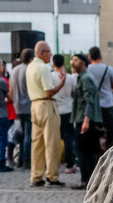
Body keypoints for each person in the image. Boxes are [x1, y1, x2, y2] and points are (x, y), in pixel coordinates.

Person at [26, 41, 66, 186]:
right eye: (48, 52)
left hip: (34, 105)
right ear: (42, 52)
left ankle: (36, 176)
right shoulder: (44, 68)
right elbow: (49, 91)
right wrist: (61, 84)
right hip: (46, 105)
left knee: (37, 143)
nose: (50, 55)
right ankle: (52, 176)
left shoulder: (29, 67)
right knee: (52, 142)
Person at [70, 53, 101, 190]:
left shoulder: (86, 78)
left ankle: (86, 179)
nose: (72, 62)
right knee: (87, 152)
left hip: (85, 119)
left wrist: (86, 120)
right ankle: (89, 180)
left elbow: (89, 101)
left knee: (82, 151)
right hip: (84, 118)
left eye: (75, 60)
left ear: (83, 63)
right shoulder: (82, 77)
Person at [87, 47, 113, 149]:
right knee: (111, 133)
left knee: (94, 135)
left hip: (93, 107)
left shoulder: (87, 70)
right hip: (107, 104)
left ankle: (96, 157)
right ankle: (110, 152)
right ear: (100, 56)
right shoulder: (108, 69)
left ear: (89, 57)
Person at [52, 54, 78, 174]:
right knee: (69, 138)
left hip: (55, 110)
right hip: (68, 110)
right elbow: (74, 92)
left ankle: (54, 163)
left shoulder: (50, 76)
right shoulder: (70, 78)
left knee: (55, 138)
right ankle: (70, 163)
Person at [11, 49, 34, 168]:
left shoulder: (14, 70)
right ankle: (26, 160)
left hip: (17, 106)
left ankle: (20, 159)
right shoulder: (29, 70)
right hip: (29, 106)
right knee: (28, 135)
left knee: (21, 133)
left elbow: (10, 91)